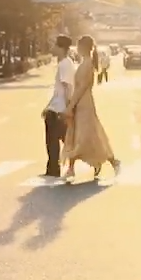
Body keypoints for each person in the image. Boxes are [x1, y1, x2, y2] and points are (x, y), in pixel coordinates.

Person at [62, 35, 122, 181]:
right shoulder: (85, 63)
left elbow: (82, 87)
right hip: (81, 103)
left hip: (84, 104)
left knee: (84, 136)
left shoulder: (88, 65)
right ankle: (72, 168)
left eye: (78, 46)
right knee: (79, 135)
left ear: (83, 48)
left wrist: (71, 105)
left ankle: (112, 161)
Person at [40, 35, 77, 178]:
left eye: (55, 45)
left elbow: (68, 88)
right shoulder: (64, 63)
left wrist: (68, 109)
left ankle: (55, 169)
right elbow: (59, 91)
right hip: (56, 108)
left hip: (60, 111)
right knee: (56, 140)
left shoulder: (65, 64)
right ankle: (53, 169)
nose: (53, 47)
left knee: (59, 140)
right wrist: (48, 106)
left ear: (61, 48)